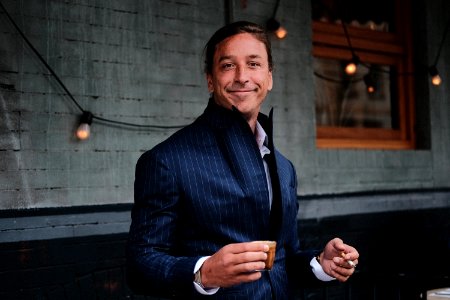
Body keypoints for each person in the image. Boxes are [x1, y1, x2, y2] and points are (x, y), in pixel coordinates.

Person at [126, 20, 359, 299]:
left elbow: (280, 260)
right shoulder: (166, 161)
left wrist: (320, 265)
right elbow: (140, 265)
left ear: (269, 77)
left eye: (253, 64)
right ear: (210, 80)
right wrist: (203, 272)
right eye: (227, 65)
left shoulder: (284, 168)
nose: (241, 76)